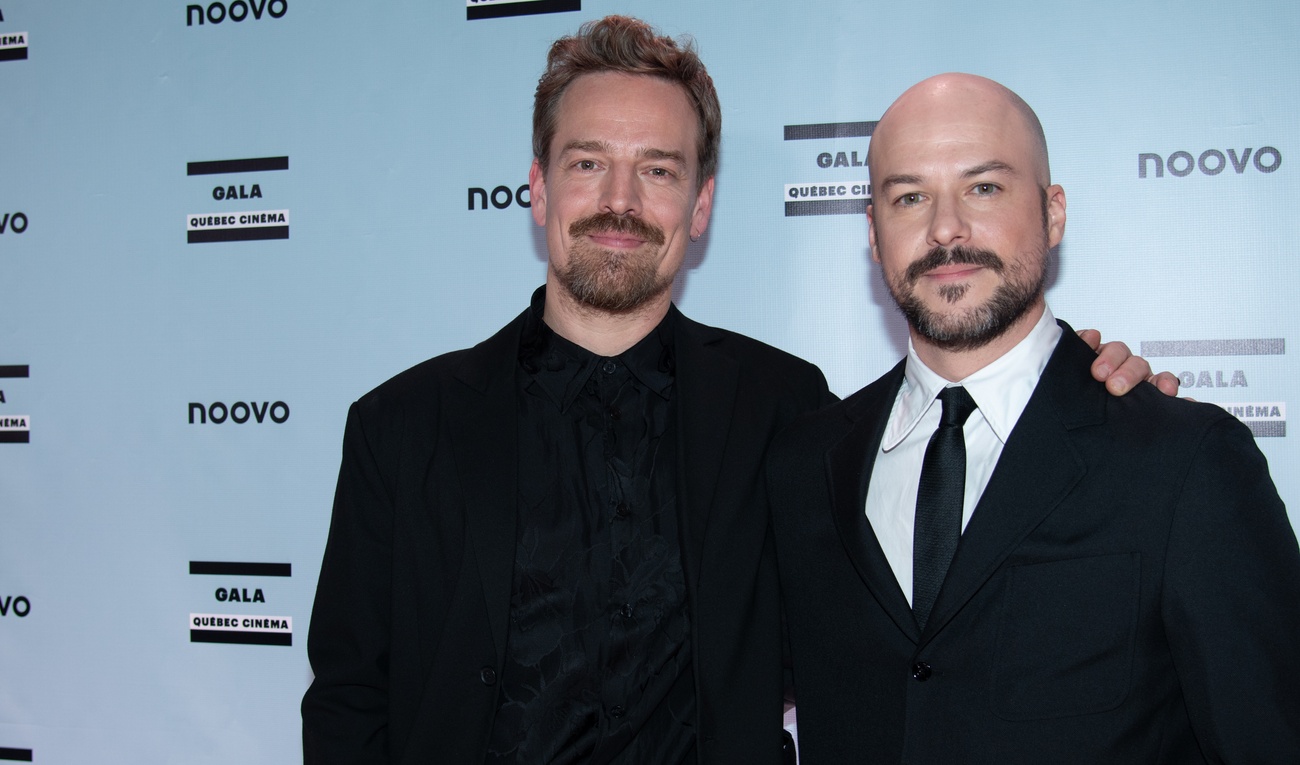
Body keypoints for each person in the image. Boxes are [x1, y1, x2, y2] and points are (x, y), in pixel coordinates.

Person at [301, 18, 1161, 762]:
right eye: (589, 163)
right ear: (537, 187)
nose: (620, 201)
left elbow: (926, 602)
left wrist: (1067, 395)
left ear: (702, 203)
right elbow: (346, 702)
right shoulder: (401, 428)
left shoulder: (792, 413)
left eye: (660, 171)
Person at [767, 72, 1300, 764]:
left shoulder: (1185, 461)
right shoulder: (805, 463)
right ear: (873, 231)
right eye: (909, 196)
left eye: (983, 187)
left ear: (1053, 213)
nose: (946, 228)